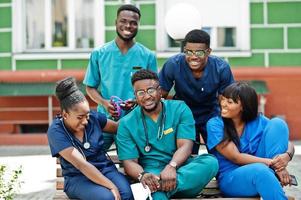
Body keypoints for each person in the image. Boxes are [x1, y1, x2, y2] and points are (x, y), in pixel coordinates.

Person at [117, 69, 218, 200]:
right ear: (135, 96)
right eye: (140, 92)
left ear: (160, 91)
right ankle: (159, 187)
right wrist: (143, 175)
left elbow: (186, 146)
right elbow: (129, 161)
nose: (147, 96)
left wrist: (172, 166)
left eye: (151, 90)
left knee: (210, 162)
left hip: (181, 169)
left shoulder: (179, 109)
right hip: (152, 173)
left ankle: (160, 186)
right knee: (156, 196)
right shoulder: (126, 123)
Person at [83, 4, 158, 150]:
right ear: (115, 23)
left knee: (132, 164)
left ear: (138, 25)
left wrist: (137, 101)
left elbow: (154, 90)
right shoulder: (99, 53)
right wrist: (105, 103)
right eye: (123, 21)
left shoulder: (148, 55)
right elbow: (90, 87)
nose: (128, 26)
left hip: (135, 122)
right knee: (91, 156)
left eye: (133, 23)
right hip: (104, 121)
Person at [47, 77, 133, 200]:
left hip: (105, 170)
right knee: (107, 198)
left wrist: (138, 107)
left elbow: (118, 127)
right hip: (78, 178)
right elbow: (82, 165)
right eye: (80, 117)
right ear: (65, 115)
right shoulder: (56, 131)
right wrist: (111, 186)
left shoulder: (93, 118)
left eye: (87, 115)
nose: (86, 121)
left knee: (126, 194)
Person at [206, 82, 295, 199]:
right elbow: (235, 157)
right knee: (261, 171)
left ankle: (273, 177)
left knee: (278, 124)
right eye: (223, 99)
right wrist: (274, 164)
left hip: (264, 169)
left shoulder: (258, 121)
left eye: (229, 102)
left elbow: (286, 143)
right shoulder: (215, 124)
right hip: (232, 178)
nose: (223, 104)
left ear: (243, 106)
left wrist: (286, 157)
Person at [159, 29, 234, 153]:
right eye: (189, 52)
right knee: (187, 155)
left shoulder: (221, 67)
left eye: (199, 52)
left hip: (211, 113)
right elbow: (160, 95)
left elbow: (226, 101)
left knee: (218, 154)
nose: (193, 57)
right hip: (183, 114)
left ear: (208, 52)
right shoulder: (173, 64)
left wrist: (227, 126)